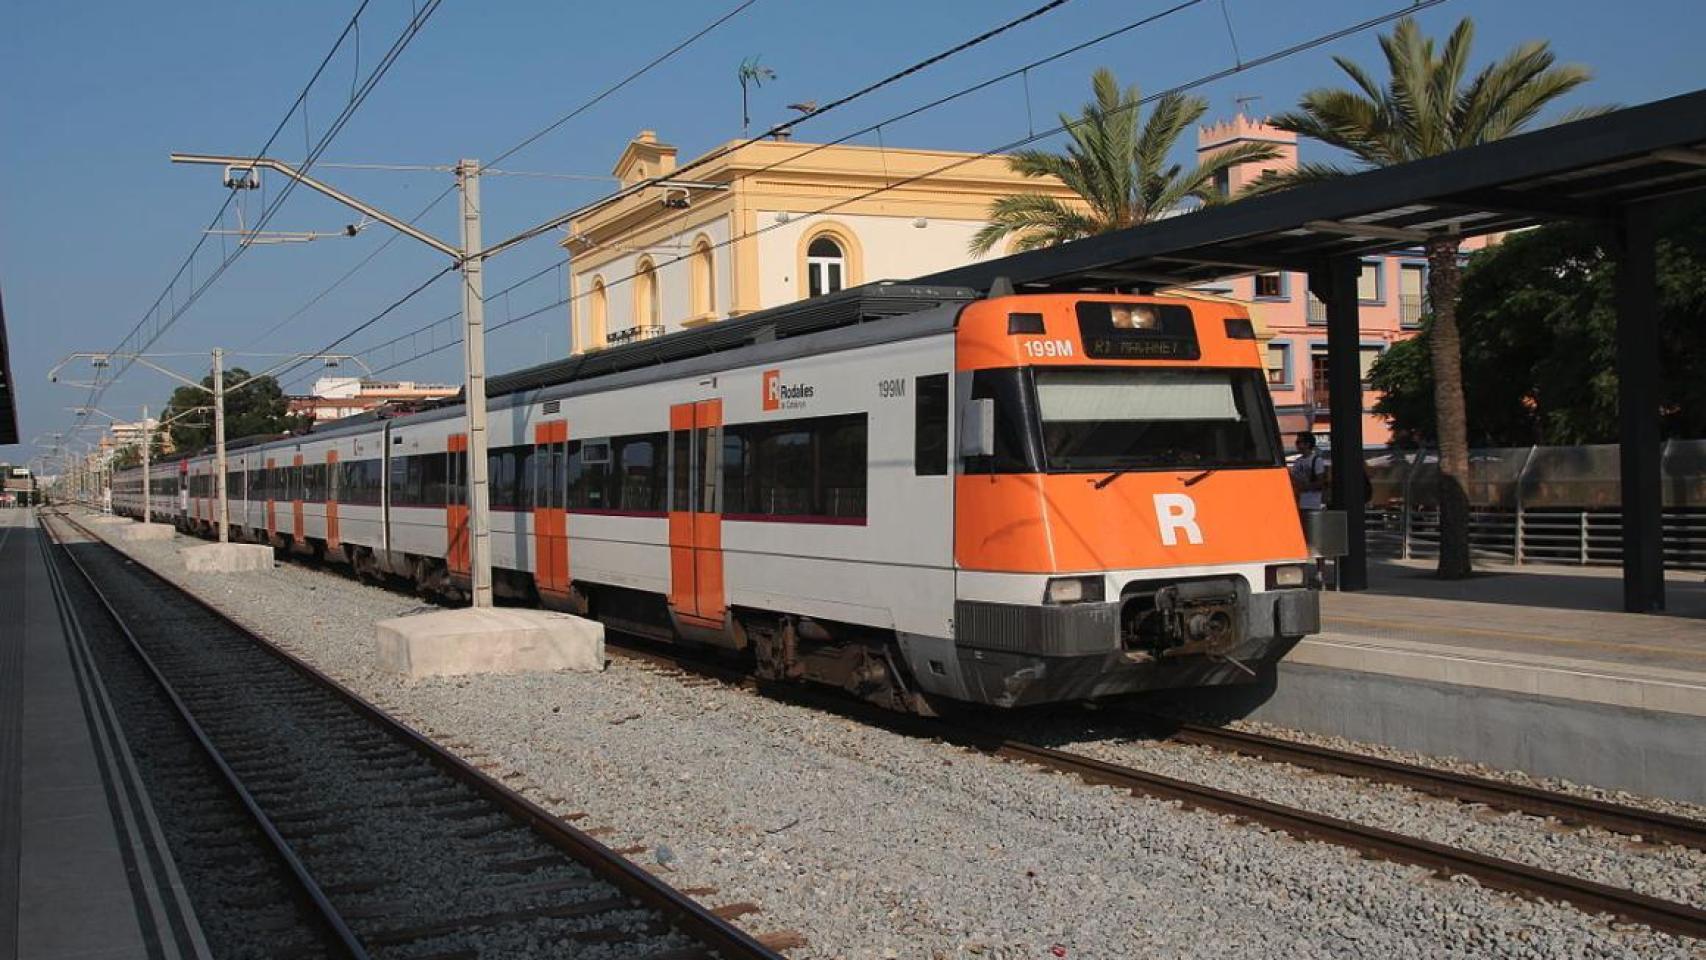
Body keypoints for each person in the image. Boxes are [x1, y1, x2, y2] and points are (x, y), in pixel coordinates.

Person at [1289, 432, 1328, 511]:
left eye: (1299, 442)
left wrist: (1305, 487)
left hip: (1313, 503)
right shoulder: (1298, 461)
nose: (1297, 445)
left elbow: (1320, 482)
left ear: (1307, 444)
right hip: (1299, 503)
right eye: (1297, 442)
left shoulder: (1317, 460)